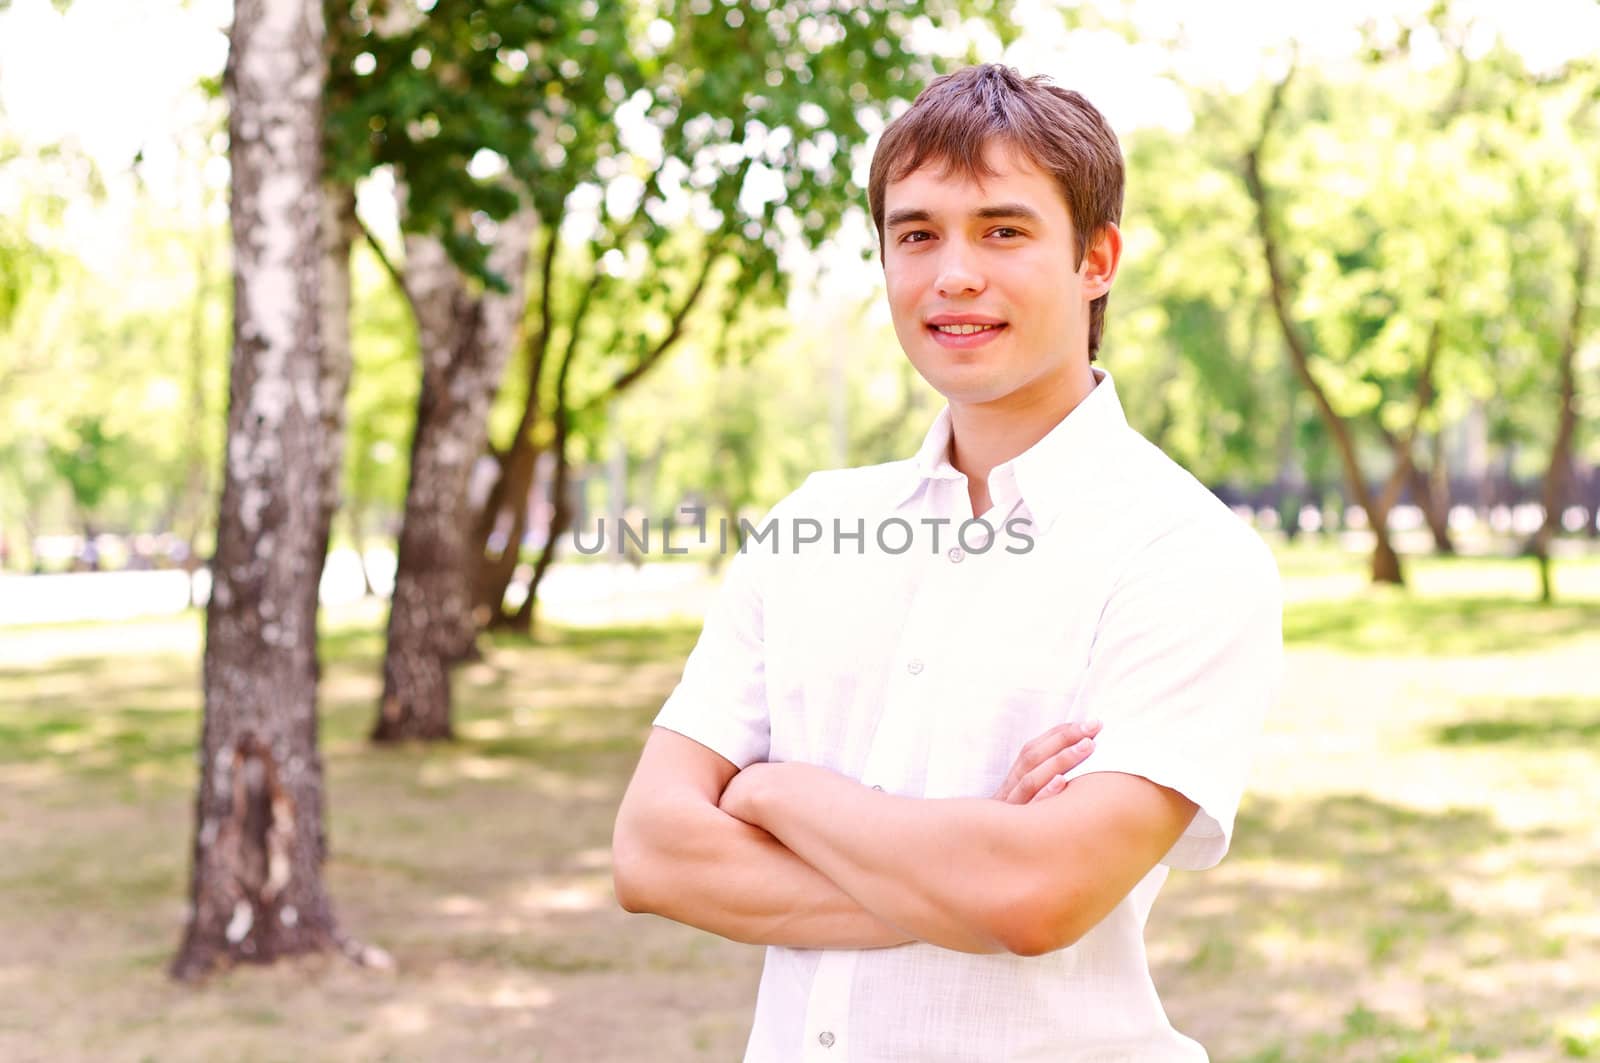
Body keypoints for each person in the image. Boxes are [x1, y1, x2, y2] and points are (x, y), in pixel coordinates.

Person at [613, 63, 1283, 1061]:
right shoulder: (810, 525)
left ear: (1095, 258)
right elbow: (654, 852)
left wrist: (774, 796)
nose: (952, 274)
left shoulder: (1184, 553)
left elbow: (1035, 894)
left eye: (1002, 231)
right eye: (916, 233)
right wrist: (958, 866)